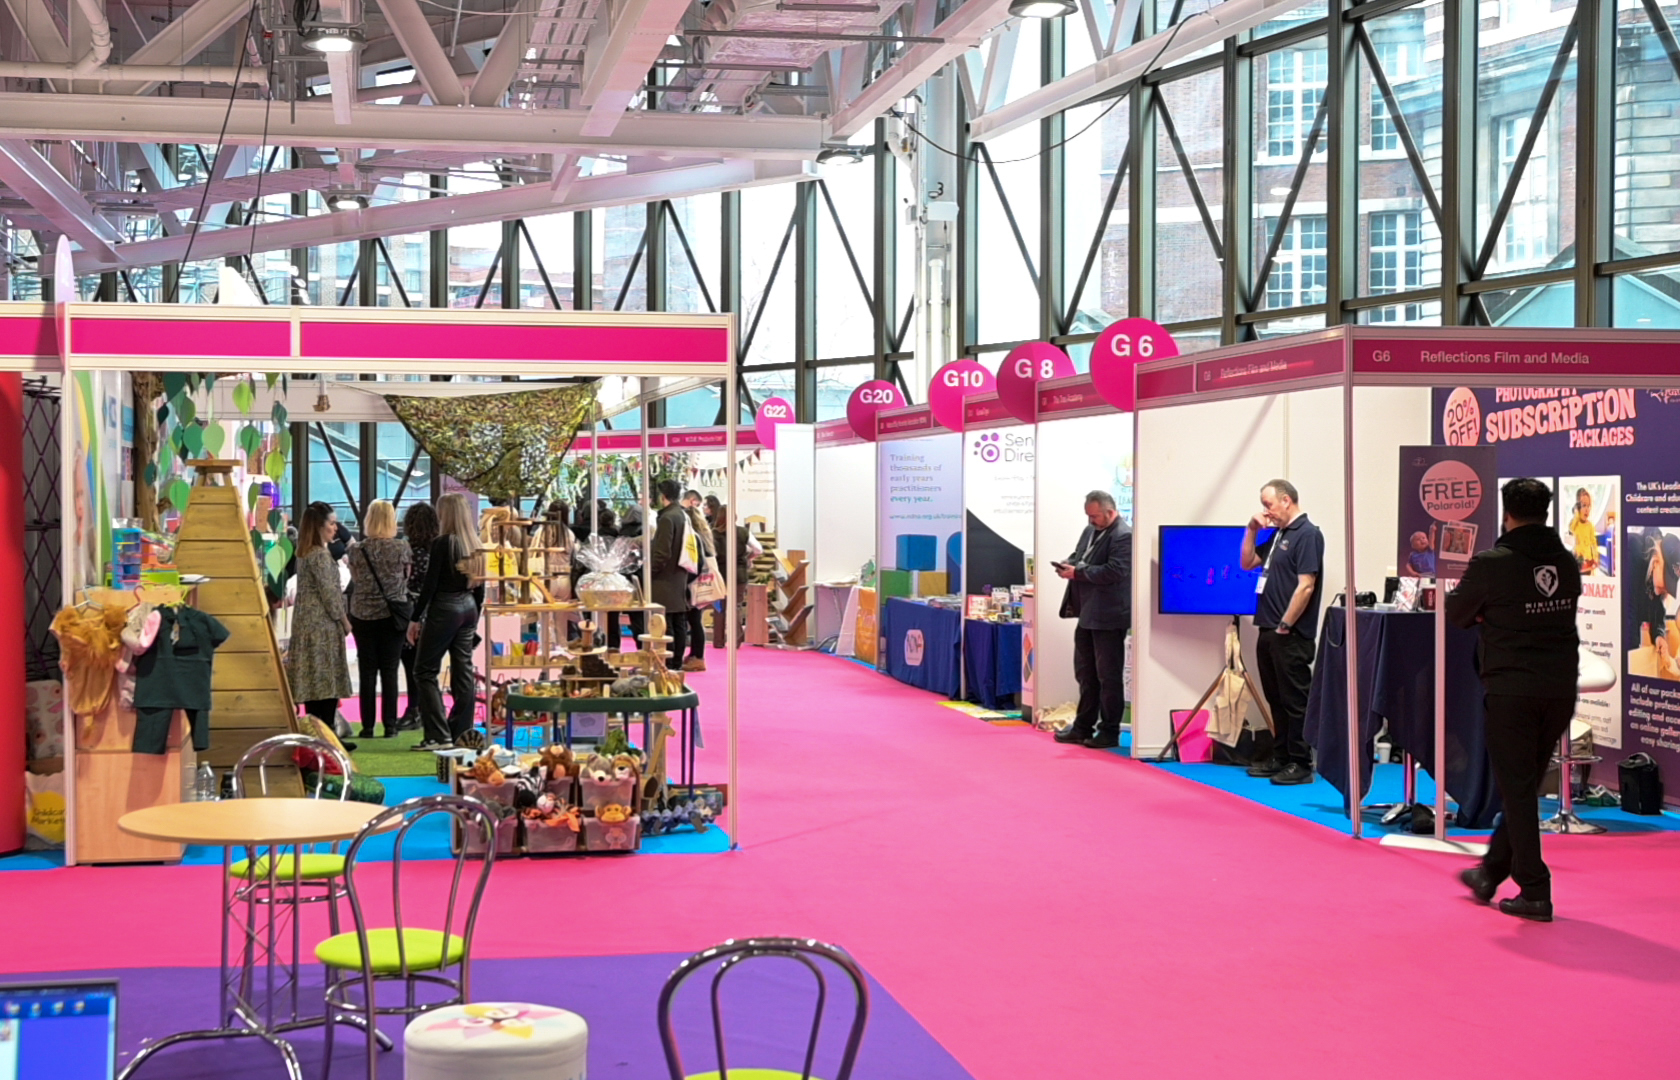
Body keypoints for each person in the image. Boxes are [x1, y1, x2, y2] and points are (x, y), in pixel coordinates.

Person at [1448, 478, 1582, 922]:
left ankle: (1535, 890)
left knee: (1518, 790)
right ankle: (1490, 873)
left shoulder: (1492, 563)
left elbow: (1457, 613)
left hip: (1512, 689)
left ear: (1506, 512)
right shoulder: (1565, 561)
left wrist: (1493, 612)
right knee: (1521, 785)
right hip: (1559, 688)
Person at [1240, 479, 1325, 786]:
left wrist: (1286, 624)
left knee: (1294, 700)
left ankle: (1301, 762)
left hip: (1290, 633)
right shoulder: (1278, 535)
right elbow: (1247, 561)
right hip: (1268, 627)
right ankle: (1282, 756)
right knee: (1275, 698)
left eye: (1269, 505)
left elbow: (1306, 585)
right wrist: (1251, 530)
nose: (1267, 511)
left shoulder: (1308, 535)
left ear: (1286, 500)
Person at [1052, 491, 1133, 750]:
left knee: (1108, 676)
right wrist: (1068, 565)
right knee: (1085, 673)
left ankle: (1109, 730)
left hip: (1110, 615)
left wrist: (1079, 573)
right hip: (1087, 612)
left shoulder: (1124, 535)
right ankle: (1082, 726)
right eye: (1089, 516)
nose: (1091, 520)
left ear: (1111, 512)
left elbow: (1116, 571)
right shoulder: (1090, 531)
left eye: (1095, 516)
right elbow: (1079, 556)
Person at [408, 492, 485, 752]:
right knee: (463, 669)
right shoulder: (474, 543)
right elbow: (480, 589)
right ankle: (461, 731)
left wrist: (415, 618)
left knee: (424, 671)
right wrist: (474, 619)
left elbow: (430, 585)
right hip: (469, 607)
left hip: (445, 608)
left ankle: (437, 734)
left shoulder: (443, 543)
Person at [345, 499, 411, 739]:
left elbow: (354, 578)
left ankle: (368, 726)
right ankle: (390, 725)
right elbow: (406, 578)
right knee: (390, 670)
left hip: (362, 614)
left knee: (367, 670)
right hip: (392, 614)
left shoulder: (356, 549)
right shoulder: (402, 548)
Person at [286, 502, 352, 731]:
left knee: (313, 683)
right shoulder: (320, 556)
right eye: (332, 523)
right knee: (326, 684)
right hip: (322, 626)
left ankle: (319, 735)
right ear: (319, 526)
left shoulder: (304, 553)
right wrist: (344, 621)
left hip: (306, 623)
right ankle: (327, 735)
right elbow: (331, 595)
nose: (335, 528)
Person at [395, 501, 438, 732]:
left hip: (411, 612)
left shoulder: (409, 552)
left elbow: (406, 583)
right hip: (434, 614)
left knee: (412, 664)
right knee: (429, 667)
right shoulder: (437, 551)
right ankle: (426, 709)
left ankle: (414, 709)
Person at [648, 479, 693, 667]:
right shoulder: (682, 515)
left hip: (665, 577)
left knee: (666, 622)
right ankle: (676, 660)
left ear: (662, 496)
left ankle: (669, 661)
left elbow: (662, 552)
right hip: (679, 573)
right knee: (678, 620)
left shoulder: (667, 518)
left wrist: (649, 571)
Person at [679, 489, 712, 672]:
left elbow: (693, 564)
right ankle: (696, 655)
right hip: (701, 584)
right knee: (696, 620)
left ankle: (697, 656)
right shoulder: (705, 536)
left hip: (692, 584)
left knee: (691, 620)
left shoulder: (693, 538)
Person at [1568, 488, 1599, 575]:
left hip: (1588, 562)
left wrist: (1595, 557)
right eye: (1584, 505)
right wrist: (1576, 514)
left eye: (1588, 506)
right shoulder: (1575, 523)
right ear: (1577, 507)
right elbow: (1571, 528)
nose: (1587, 509)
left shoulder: (1590, 526)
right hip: (1578, 561)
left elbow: (1593, 543)